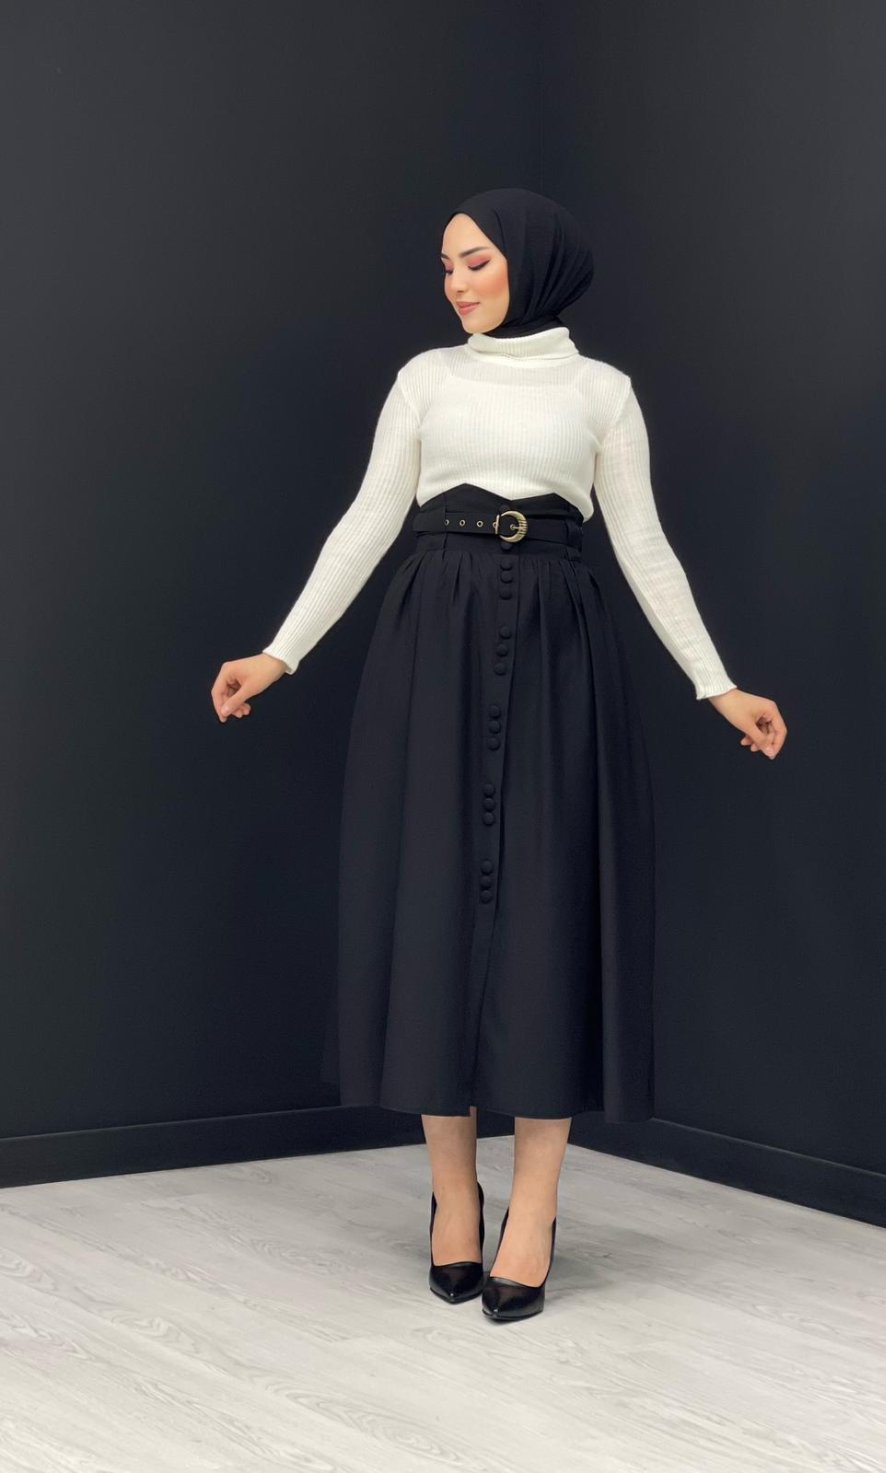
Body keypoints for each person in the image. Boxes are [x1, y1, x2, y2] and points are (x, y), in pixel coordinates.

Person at [211, 187, 787, 1321]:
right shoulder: (427, 379)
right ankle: (452, 1195)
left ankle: (536, 1207)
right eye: (444, 266)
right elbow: (368, 520)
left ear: (531, 261)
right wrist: (280, 652)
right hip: (433, 643)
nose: (456, 283)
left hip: (563, 649)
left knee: (547, 918)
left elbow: (643, 544)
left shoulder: (600, 392)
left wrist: (716, 682)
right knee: (431, 906)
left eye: (474, 261)